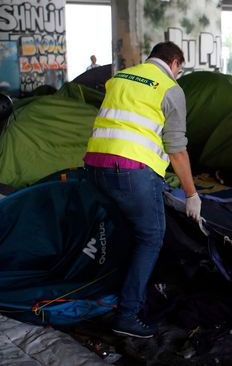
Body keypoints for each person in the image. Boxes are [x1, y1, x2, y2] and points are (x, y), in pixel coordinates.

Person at [83, 41, 201, 338]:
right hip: (130, 173)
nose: (179, 74)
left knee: (125, 232)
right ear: (174, 62)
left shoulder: (120, 77)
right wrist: (191, 194)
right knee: (150, 237)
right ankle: (128, 315)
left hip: (94, 168)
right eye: (180, 68)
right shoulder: (170, 88)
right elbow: (177, 150)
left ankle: (111, 293)